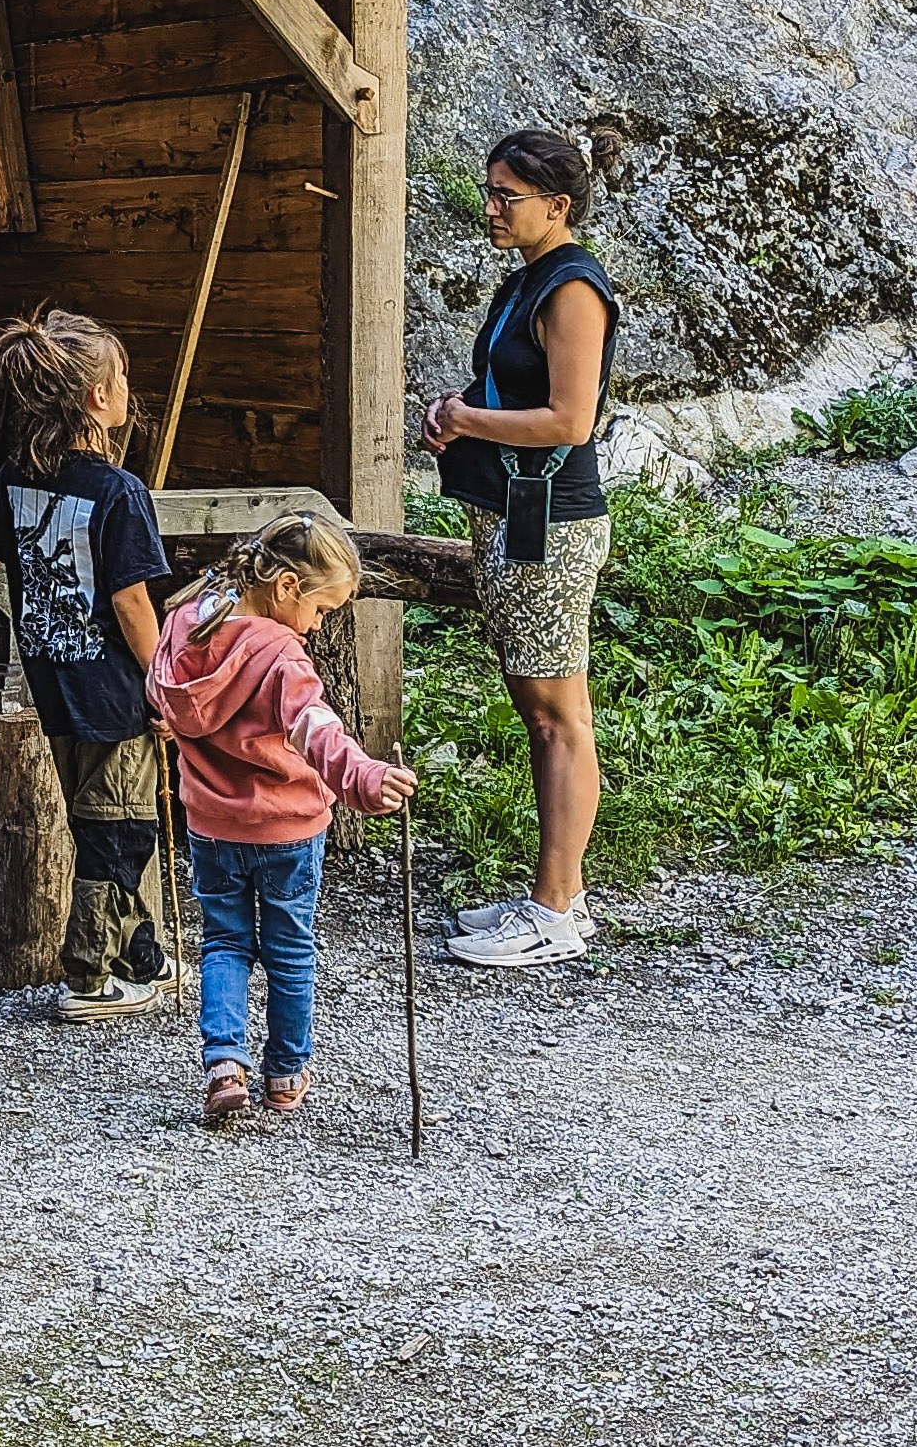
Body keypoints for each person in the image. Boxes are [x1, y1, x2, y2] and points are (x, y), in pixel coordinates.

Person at [421, 127, 621, 971]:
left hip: (548, 522)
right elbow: (518, 388)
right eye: (491, 191)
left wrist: (467, 421)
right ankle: (554, 894)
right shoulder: (530, 279)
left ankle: (556, 909)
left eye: (508, 195)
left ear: (558, 205)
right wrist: (458, 406)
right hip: (510, 515)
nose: (492, 207)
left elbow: (572, 421)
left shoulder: (573, 289)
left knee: (557, 716)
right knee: (541, 711)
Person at [147, 510, 413, 1125]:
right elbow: (316, 730)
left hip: (211, 823)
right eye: (321, 611)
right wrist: (365, 779)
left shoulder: (192, 621)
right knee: (290, 953)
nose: (318, 627)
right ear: (288, 586)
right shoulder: (279, 658)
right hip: (288, 831)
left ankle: (224, 1065)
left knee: (224, 943)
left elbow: (161, 695)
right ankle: (285, 1074)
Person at [0, 308, 173, 1021]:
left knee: (103, 819)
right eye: (122, 378)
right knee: (121, 830)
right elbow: (133, 604)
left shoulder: (21, 478)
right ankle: (89, 974)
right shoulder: (119, 492)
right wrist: (166, 681)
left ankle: (143, 955)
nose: (127, 388)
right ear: (95, 399)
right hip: (112, 687)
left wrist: (30, 566)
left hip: (53, 677)